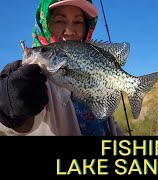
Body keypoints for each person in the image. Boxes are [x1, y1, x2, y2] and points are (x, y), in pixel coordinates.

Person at [0, 0, 125, 136]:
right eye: (59, 21)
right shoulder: (35, 79)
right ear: (45, 25)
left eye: (78, 22)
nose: (70, 31)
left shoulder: (95, 77)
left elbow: (109, 124)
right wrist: (9, 111)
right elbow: (21, 126)